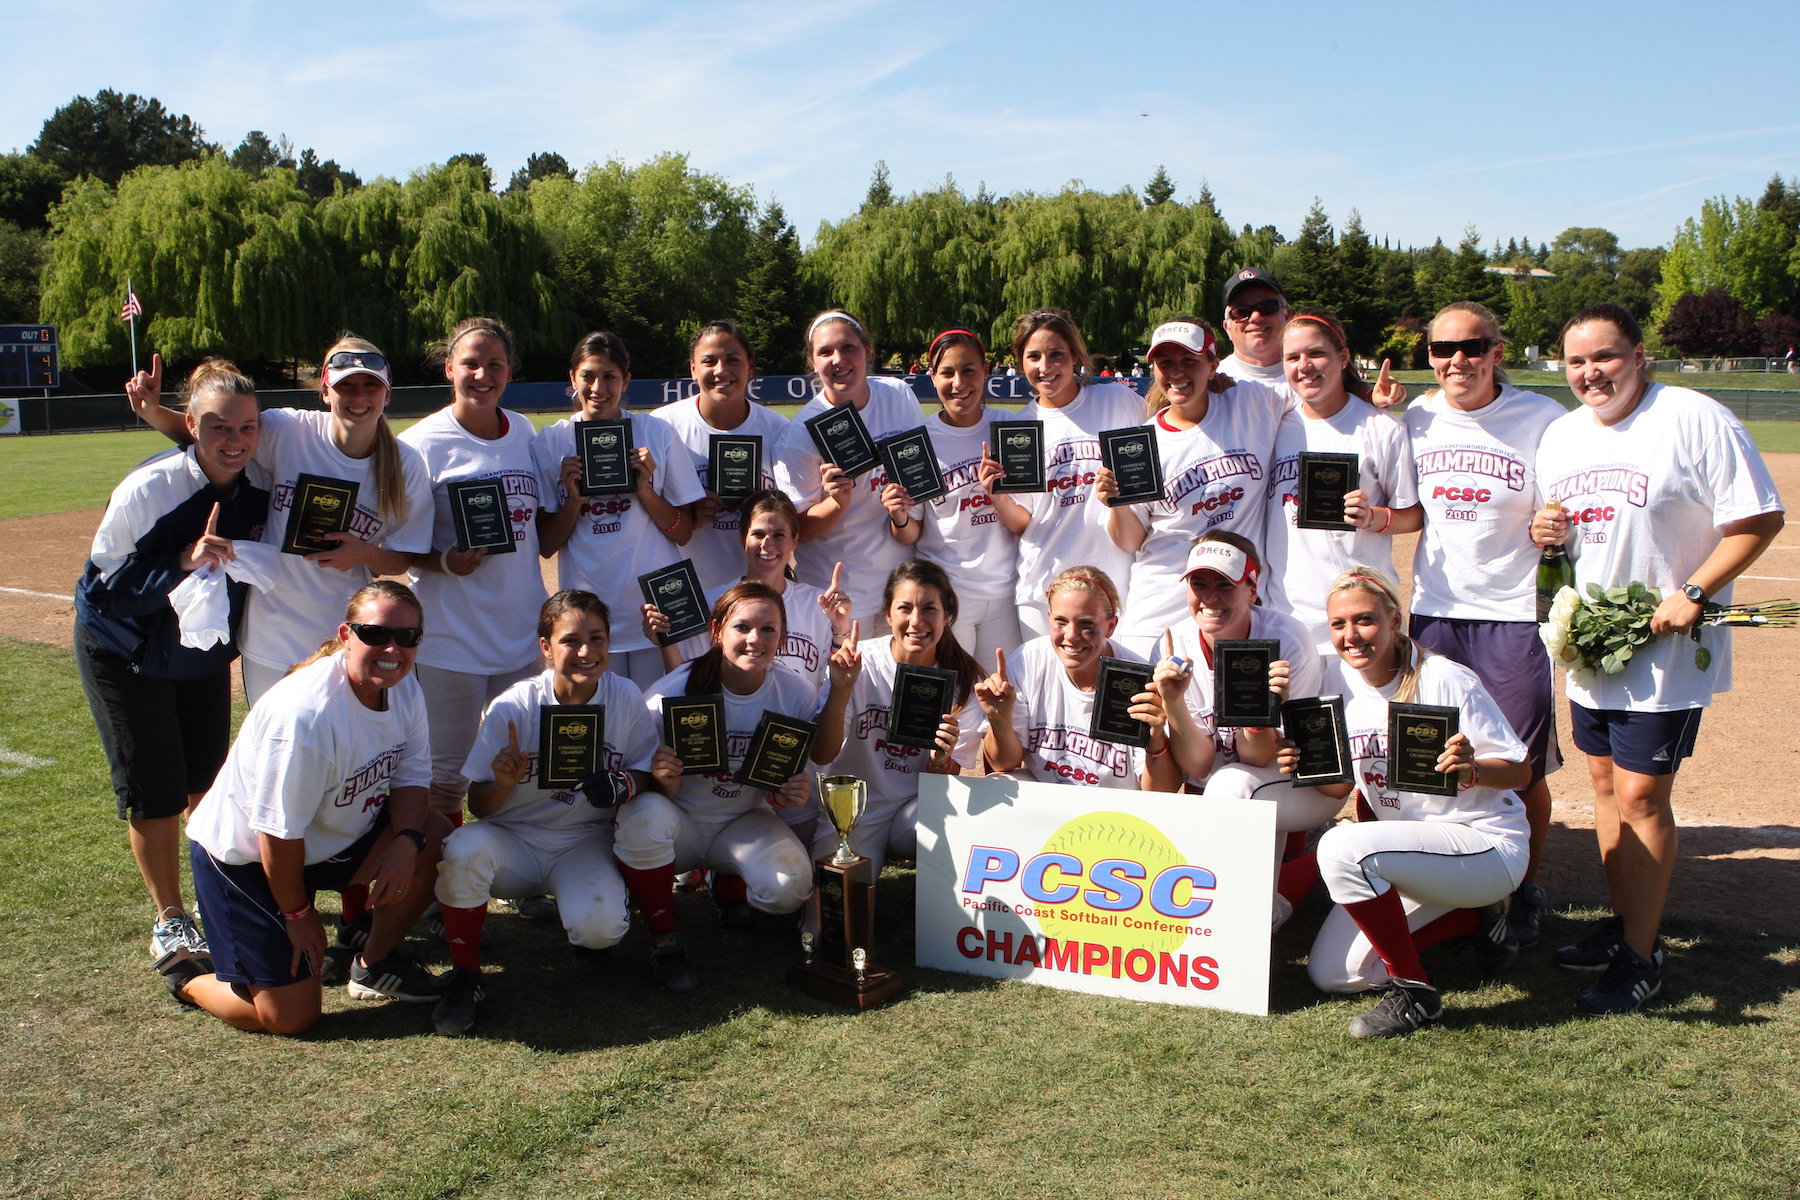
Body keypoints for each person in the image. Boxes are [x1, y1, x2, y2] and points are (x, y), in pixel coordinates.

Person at [1531, 303, 1784, 1015]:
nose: (1591, 373)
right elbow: (1562, 532)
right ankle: (1623, 928)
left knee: (1643, 797)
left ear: (1639, 355)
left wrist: (1696, 590)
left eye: (1605, 357)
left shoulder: (1694, 418)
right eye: (1577, 362)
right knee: (1607, 786)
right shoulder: (1561, 436)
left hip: (1667, 648)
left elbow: (1759, 517)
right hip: (1594, 642)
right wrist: (1545, 530)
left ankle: (1642, 960)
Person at [174, 581, 452, 1034]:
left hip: (322, 840)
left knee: (434, 835)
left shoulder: (402, 686)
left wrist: (405, 840)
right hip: (247, 859)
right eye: (375, 634)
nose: (392, 648)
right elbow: (277, 834)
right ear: (346, 634)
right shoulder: (304, 717)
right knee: (291, 1017)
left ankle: (374, 963)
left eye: (407, 637)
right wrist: (299, 915)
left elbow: (412, 776)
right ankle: (188, 975)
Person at [77, 359, 270, 980]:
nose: (234, 440)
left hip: (200, 653)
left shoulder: (258, 481)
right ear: (190, 426)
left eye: (246, 427)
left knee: (207, 784)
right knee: (155, 789)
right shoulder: (150, 489)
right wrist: (182, 559)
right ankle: (170, 915)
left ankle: (220, 888)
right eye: (217, 427)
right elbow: (103, 589)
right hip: (125, 650)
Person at [1279, 568, 1532, 1039]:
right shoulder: (1337, 681)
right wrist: (1306, 765)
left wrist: (1474, 769)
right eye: (1338, 624)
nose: (1351, 635)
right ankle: (1475, 919)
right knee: (1333, 975)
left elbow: (1520, 770)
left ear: (1395, 619)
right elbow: (1339, 791)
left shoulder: (1445, 678)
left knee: (1340, 845)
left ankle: (1415, 991)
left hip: (1484, 846)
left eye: (1365, 620)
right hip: (1410, 854)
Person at [123, 340, 436, 707]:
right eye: (346, 385)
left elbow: (405, 558)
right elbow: (222, 440)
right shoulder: (288, 430)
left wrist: (366, 554)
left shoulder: (405, 465)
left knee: (339, 754)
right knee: (273, 755)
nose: (358, 396)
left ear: (387, 394)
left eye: (370, 385)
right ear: (324, 391)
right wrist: (154, 412)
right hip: (269, 637)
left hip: (345, 640)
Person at [430, 591, 680, 1035]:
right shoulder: (515, 706)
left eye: (597, 638)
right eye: (571, 640)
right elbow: (478, 808)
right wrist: (503, 784)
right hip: (514, 842)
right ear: (545, 647)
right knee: (464, 848)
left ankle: (592, 928)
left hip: (583, 842)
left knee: (601, 930)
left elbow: (644, 771)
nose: (586, 652)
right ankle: (465, 974)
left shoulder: (623, 696)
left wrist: (624, 783)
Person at [1404, 301, 1567, 948]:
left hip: (1511, 615)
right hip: (1434, 612)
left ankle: (1523, 888)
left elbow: (1563, 501)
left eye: (1472, 347)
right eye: (1443, 349)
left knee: (1521, 767)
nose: (1457, 360)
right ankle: (1436, 878)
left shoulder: (1541, 418)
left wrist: (1552, 524)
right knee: (1424, 758)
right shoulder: (1416, 417)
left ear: (1498, 350)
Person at [615, 583, 853, 990]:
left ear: (782, 636)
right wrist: (663, 782)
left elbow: (817, 757)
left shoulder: (792, 690)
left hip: (742, 819)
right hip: (679, 821)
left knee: (790, 889)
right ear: (717, 631)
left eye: (768, 630)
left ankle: (726, 885)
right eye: (742, 627)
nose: (754, 639)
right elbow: (635, 783)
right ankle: (664, 933)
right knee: (641, 817)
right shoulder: (671, 693)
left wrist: (785, 793)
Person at [398, 318, 559, 822]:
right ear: (450, 369)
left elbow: (540, 532)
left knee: (520, 764)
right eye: (471, 364)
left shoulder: (525, 432)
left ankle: (513, 870)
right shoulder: (422, 443)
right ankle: (439, 887)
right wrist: (444, 561)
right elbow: (399, 547)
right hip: (452, 638)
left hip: (519, 632)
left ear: (509, 371)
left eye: (494, 365)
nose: (482, 375)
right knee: (446, 775)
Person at [645, 488, 849, 846]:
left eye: (779, 534)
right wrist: (666, 641)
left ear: (795, 540)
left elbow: (830, 685)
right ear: (743, 539)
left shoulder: (818, 604)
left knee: (801, 852)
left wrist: (840, 629)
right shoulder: (716, 603)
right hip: (728, 753)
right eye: (758, 533)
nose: (767, 543)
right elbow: (687, 681)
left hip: (791, 759)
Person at [1156, 536, 1342, 925]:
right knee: (1226, 785)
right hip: (1223, 782)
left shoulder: (1287, 640)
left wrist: (1261, 713)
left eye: (1226, 584)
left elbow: (1262, 758)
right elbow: (1199, 765)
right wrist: (1173, 702)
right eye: (1199, 584)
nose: (1210, 597)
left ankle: (1237, 914)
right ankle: (1305, 868)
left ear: (1252, 589)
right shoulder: (1176, 644)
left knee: (1233, 785)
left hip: (1293, 778)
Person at [1097, 318, 1286, 655]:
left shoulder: (1250, 405)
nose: (1177, 372)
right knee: (1149, 707)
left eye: (1189, 361)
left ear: (1213, 365)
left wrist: (1365, 392)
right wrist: (1117, 503)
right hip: (1161, 609)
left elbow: (1314, 391)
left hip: (1229, 607)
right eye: (1165, 362)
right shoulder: (1141, 444)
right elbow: (1130, 541)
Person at [535, 331, 704, 688]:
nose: (598, 387)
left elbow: (683, 531)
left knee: (654, 725)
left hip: (654, 614)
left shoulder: (655, 432)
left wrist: (644, 489)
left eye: (610, 376)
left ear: (626, 380)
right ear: (572, 379)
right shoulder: (551, 441)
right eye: (588, 376)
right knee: (606, 731)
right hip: (590, 620)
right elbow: (546, 545)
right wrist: (574, 500)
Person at [1261, 310, 1420, 652]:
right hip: (1287, 618)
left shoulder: (1382, 429)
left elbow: (1413, 515)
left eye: (1316, 353)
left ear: (1343, 357)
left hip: (1361, 618)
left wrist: (1374, 517)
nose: (1304, 365)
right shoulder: (1273, 423)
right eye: (1292, 357)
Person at [818, 560, 986, 872]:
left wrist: (941, 762)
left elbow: (948, 781)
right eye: (905, 608)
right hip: (855, 809)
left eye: (929, 609)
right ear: (888, 613)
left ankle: (926, 903)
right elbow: (822, 753)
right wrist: (840, 689)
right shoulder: (859, 662)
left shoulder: (963, 682)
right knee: (828, 910)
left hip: (914, 810)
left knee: (960, 825)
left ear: (947, 615)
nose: (916, 620)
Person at [773, 310, 928, 630]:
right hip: (836, 594)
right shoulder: (799, 432)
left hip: (901, 586)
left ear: (867, 350)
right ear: (813, 363)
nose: (838, 359)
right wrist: (836, 502)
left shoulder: (898, 395)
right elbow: (797, 531)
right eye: (825, 352)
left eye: (848, 347)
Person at [995, 309, 1146, 637]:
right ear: (1020, 361)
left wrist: (1216, 385)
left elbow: (1167, 420)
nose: (1045, 367)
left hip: (1115, 585)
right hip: (1044, 588)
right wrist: (997, 493)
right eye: (1033, 356)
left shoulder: (1117, 400)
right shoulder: (1018, 427)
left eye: (1056, 355)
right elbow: (1024, 523)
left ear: (1076, 356)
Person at [975, 567, 1182, 791]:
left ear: (1111, 626)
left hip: (1114, 811)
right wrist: (1000, 721)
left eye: (1086, 624)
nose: (1071, 636)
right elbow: (1002, 763)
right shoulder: (1028, 660)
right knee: (995, 787)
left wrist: (1156, 739)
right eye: (1061, 621)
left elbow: (1162, 793)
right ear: (1048, 618)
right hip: (1047, 796)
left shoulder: (1137, 679)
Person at [885, 328, 1023, 661]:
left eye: (968, 370)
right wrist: (898, 514)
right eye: (947, 372)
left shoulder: (1010, 427)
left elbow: (1031, 514)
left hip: (1005, 593)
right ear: (932, 377)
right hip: (949, 596)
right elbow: (910, 534)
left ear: (986, 371)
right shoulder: (918, 443)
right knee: (951, 700)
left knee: (1005, 695)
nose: (958, 383)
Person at [649, 320, 791, 593]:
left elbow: (793, 516)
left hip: (759, 593)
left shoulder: (779, 430)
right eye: (709, 361)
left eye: (732, 360)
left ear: (750, 366)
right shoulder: (664, 426)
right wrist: (687, 514)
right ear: (693, 369)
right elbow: (645, 515)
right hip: (687, 592)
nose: (721, 370)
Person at [1216, 268, 1291, 386]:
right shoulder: (1207, 387)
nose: (1255, 317)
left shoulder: (1319, 379)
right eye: (1241, 312)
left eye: (1267, 307)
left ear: (1287, 316)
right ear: (1228, 328)